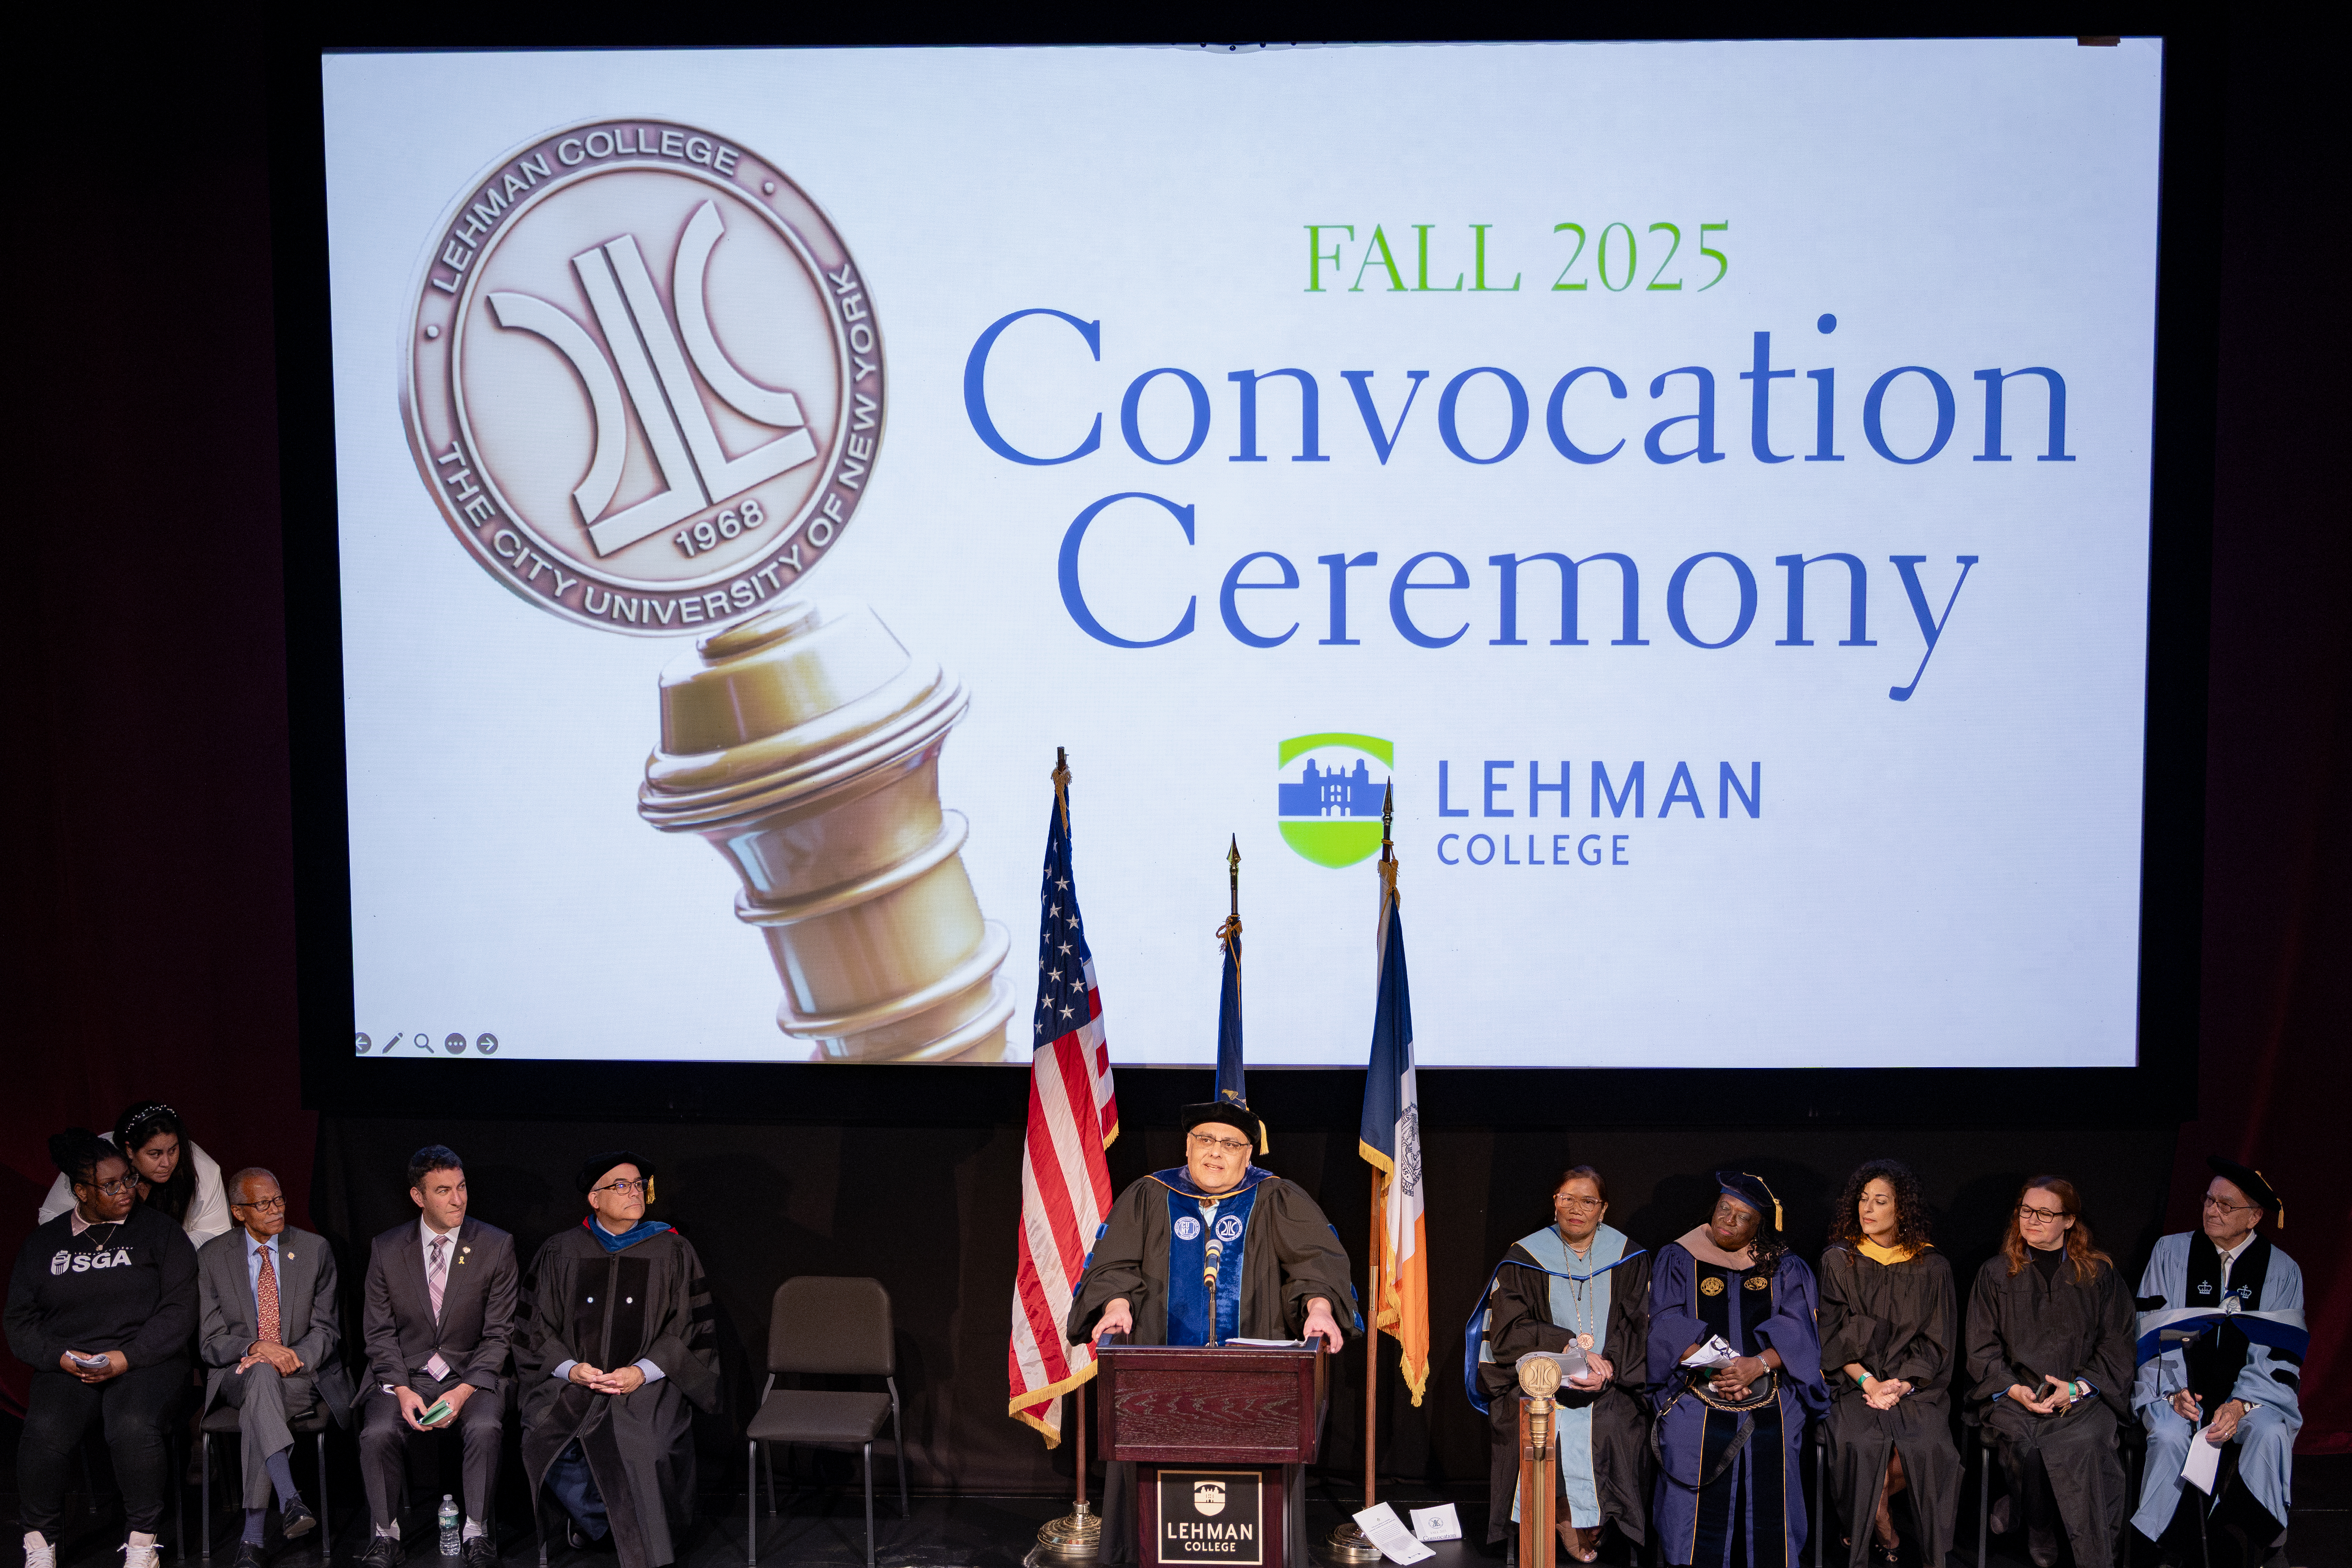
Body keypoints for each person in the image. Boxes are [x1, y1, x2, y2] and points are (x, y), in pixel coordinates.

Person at [1067, 1100, 1359, 1568]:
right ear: (1188, 1146)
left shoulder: (1275, 1197)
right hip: (1154, 1382)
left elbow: (1317, 1265)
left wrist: (1320, 1309)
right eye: (1205, 1140)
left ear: (1249, 1155)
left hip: (1255, 1387)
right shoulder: (1149, 1194)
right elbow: (1112, 1266)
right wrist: (1117, 1305)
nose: (1215, 1152)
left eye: (1230, 1144)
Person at [517, 1153, 720, 1568]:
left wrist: (639, 1372)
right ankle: (602, 1523)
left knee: (649, 1445)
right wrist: (570, 1368)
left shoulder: (673, 1249)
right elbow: (534, 1325)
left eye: (638, 1183)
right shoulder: (561, 1251)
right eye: (621, 1185)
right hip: (575, 1382)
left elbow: (687, 1327)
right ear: (595, 1198)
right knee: (542, 1436)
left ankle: (644, 1535)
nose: (634, 1192)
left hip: (644, 1384)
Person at [7, 1130, 200, 1568]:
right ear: (81, 1191)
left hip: (145, 1360)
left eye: (127, 1180)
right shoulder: (45, 1242)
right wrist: (59, 1357)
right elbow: (19, 1321)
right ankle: (40, 1545)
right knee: (44, 1431)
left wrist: (126, 1357)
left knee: (132, 1426)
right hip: (69, 1364)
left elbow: (178, 1311)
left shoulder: (161, 1234)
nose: (125, 1191)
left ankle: (142, 1543)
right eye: (110, 1185)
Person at [1471, 1165, 1653, 1563]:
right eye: (1567, 1198)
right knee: (1538, 1418)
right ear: (1555, 1204)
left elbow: (1638, 1325)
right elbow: (1507, 1332)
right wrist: (1568, 1347)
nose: (1577, 1208)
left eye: (1588, 1201)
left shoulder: (1628, 1257)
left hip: (1611, 1379)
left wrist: (1608, 1368)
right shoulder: (1526, 1256)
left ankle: (1590, 1512)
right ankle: (1564, 1514)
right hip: (1539, 1377)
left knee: (1614, 1422)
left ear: (1602, 1210)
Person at [1647, 1170, 1826, 1568]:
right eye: (1723, 1208)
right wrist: (1720, 1371)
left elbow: (1800, 1333)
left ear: (1759, 1226)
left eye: (1742, 1216)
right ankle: (1688, 1557)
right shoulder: (1679, 1257)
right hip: (1695, 1380)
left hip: (1770, 1382)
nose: (1728, 1220)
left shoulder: (1784, 1266)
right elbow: (1666, 1325)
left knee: (1777, 1430)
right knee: (1688, 1435)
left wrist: (1756, 1365)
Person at [2129, 1158, 2303, 1568]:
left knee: (2270, 1431)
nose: (2212, 1210)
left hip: (2251, 1399)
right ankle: (2164, 1548)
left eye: (2226, 1205)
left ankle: (2268, 1545)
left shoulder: (2281, 1271)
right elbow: (2153, 1329)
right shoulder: (2171, 1252)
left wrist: (2241, 1404)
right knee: (2170, 1435)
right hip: (2177, 1391)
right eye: (2209, 1199)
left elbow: (2280, 1351)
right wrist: (2173, 1392)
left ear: (2255, 1216)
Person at [355, 1146, 520, 1568]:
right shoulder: (387, 1249)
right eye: (444, 1190)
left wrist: (464, 1392)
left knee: (484, 1425)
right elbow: (378, 1331)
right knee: (377, 1432)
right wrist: (403, 1389)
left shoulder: (495, 1246)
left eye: (462, 1187)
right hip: (407, 1373)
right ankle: (386, 1534)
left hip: (471, 1374)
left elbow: (499, 1334)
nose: (458, 1199)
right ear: (419, 1197)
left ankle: (477, 1531)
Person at [1963, 1175, 2132, 1568]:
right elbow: (1981, 1347)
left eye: (2044, 1213)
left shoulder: (2098, 1275)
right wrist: (2014, 1389)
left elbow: (2117, 1344)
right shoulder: (1995, 1274)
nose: (2032, 1220)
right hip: (2015, 1395)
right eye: (2026, 1210)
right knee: (2029, 1447)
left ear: (2069, 1220)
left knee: (2086, 1444)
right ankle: (2039, 1527)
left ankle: (2078, 1547)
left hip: (2083, 1398)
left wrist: (2077, 1388)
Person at [197, 1168, 354, 1568]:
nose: (275, 1209)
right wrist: (256, 1347)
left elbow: (327, 1329)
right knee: (259, 1377)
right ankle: (290, 1500)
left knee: (260, 1398)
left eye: (279, 1199)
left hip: (302, 1372)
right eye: (262, 1204)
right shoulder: (213, 1258)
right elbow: (211, 1341)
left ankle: (252, 1538)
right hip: (237, 1372)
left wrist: (290, 1355)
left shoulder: (314, 1249)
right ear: (238, 1212)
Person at [1818, 1158, 1960, 1568]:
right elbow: (1831, 1334)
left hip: (1915, 1386)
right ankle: (1885, 1530)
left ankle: (1868, 1522)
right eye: (1863, 1199)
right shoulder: (1838, 1261)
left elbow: (1938, 1341)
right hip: (1853, 1384)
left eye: (1880, 1201)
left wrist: (1900, 1384)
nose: (1868, 1209)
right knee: (1861, 1448)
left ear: (1902, 1210)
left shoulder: (1932, 1267)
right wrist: (1868, 1382)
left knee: (1930, 1447)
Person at [38, 1100, 232, 1245]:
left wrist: (164, 1252)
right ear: (130, 1150)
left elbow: (216, 1232)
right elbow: (51, 1217)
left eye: (173, 1150)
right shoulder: (98, 1158)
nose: (167, 1163)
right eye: (154, 1154)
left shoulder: (203, 1168)